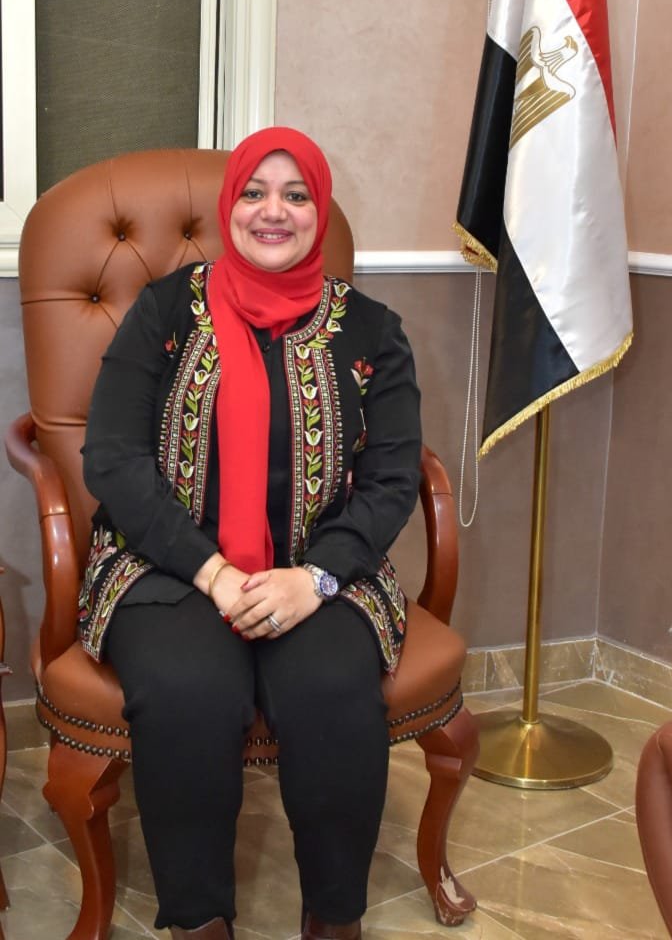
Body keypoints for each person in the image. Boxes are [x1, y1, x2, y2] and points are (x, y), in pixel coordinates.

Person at [77, 127, 422, 940]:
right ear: (230, 205)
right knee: (188, 692)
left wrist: (316, 578)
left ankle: (333, 920)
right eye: (255, 192)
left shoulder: (372, 331)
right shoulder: (165, 310)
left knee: (332, 691)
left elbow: (391, 481)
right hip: (165, 566)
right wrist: (212, 572)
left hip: (320, 569)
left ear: (318, 210)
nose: (274, 211)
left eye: (295, 195)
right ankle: (200, 923)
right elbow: (112, 458)